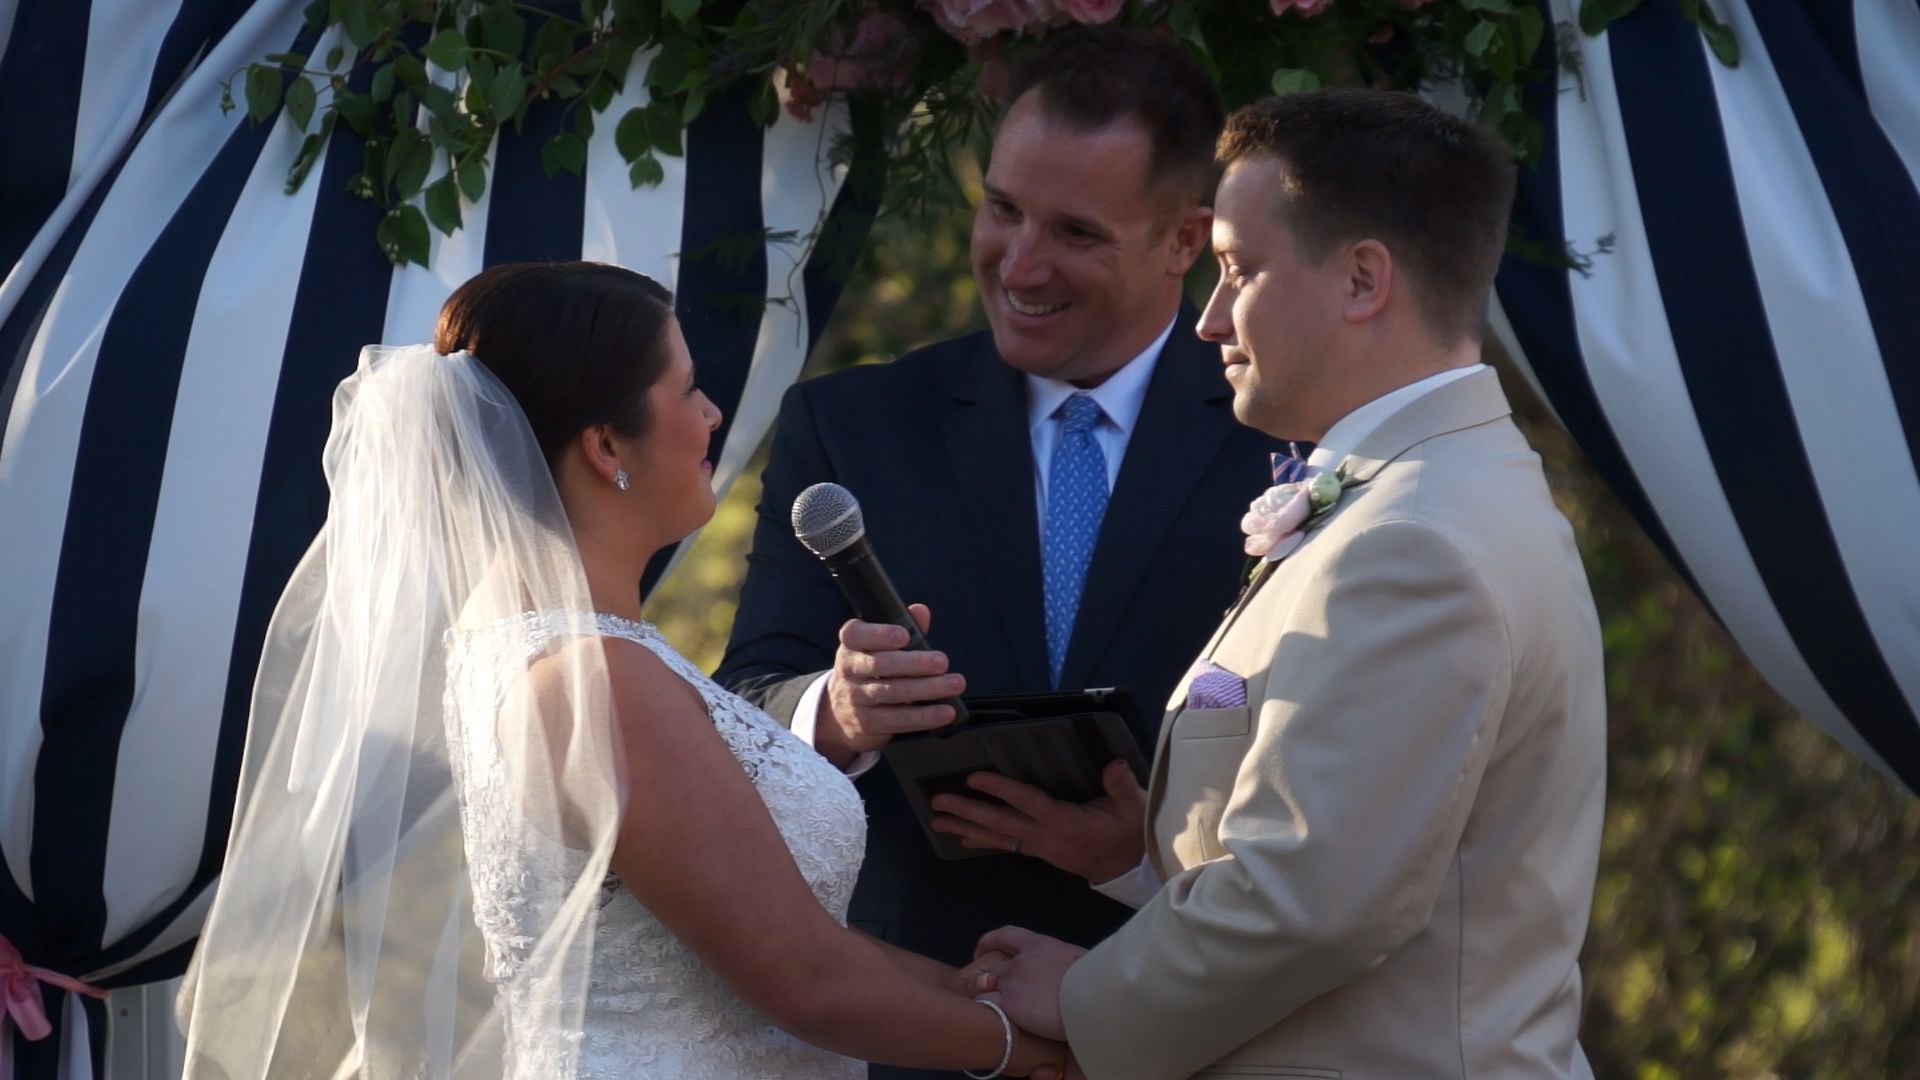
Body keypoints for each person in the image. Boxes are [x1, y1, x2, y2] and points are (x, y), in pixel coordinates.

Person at [180, 262, 1066, 1079]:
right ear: (607, 447)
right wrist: (1043, 1053)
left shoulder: (555, 653)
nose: (712, 414)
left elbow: (777, 939)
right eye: (687, 389)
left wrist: (966, 989)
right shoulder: (593, 678)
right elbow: (804, 982)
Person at [952, 90, 1608, 1079]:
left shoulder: (1413, 544)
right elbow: (1374, 851)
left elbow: (1314, 904)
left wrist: (1085, 999)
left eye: (1237, 269)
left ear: (1362, 279)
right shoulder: (1446, 490)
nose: (1209, 317)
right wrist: (1138, 858)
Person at [715, 31, 1282, 1063]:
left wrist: (1152, 852)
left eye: (1075, 232)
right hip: (919, 1023)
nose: (1020, 265)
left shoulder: (1288, 441)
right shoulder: (851, 427)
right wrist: (835, 710)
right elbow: (745, 695)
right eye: (1003, 209)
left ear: (1183, 241)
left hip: (1204, 1030)